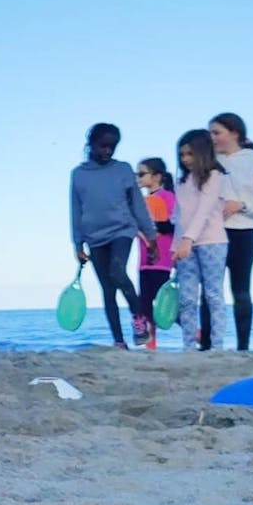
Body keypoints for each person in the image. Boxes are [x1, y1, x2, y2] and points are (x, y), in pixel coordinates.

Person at [70, 123, 159, 349]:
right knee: (107, 289)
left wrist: (151, 237)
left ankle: (139, 320)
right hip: (93, 236)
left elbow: (138, 205)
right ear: (91, 144)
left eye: (112, 146)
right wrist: (78, 243)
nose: (108, 151)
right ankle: (119, 341)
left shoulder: (123, 170)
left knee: (117, 272)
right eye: (103, 145)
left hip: (122, 230)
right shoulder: (79, 174)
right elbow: (76, 209)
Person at [200, 112, 253, 351]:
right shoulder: (208, 161)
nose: (212, 138)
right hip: (212, 234)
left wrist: (242, 205)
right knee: (210, 291)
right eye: (210, 133)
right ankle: (206, 346)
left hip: (244, 232)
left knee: (241, 290)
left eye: (217, 133)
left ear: (234, 133)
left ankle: (243, 348)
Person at [172, 130, 228, 351]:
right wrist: (176, 246)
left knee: (213, 295)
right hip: (185, 246)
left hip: (212, 242)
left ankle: (217, 346)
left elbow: (204, 211)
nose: (185, 159)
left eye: (190, 154)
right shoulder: (182, 181)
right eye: (182, 155)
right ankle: (188, 345)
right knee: (186, 298)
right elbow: (179, 216)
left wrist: (187, 239)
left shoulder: (215, 176)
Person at [135, 157, 176, 350]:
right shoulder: (141, 201)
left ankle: (198, 333)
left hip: (162, 258)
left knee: (163, 302)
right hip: (144, 259)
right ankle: (151, 344)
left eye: (142, 174)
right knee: (145, 303)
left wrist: (150, 229)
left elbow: (172, 224)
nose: (138, 177)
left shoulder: (167, 196)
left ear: (157, 176)